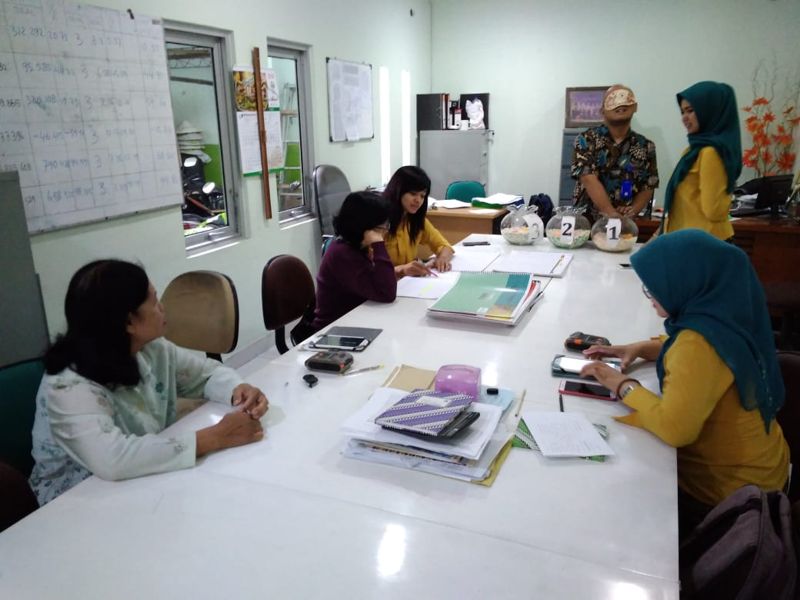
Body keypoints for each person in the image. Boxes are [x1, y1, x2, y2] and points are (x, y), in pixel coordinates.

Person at [579, 230, 789, 539]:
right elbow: (686, 348)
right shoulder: (726, 316)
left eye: (654, 288)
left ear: (687, 283)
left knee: (610, 502)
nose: (650, 297)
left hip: (731, 501)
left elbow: (676, 429)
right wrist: (639, 348)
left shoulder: (697, 343)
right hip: (767, 470)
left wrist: (622, 385)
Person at [29, 260, 268, 505]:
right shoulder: (67, 386)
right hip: (74, 501)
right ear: (128, 322)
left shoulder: (150, 348)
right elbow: (112, 458)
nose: (162, 307)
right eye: (153, 301)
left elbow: (206, 374)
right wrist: (215, 436)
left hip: (142, 478)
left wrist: (238, 390)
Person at [661, 81, 742, 241]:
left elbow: (714, 210)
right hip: (689, 240)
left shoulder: (710, 153)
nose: (684, 118)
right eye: (682, 112)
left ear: (710, 111)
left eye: (690, 111)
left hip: (705, 243)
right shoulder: (692, 152)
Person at [572, 84, 659, 222]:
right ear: (602, 111)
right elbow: (588, 178)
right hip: (588, 224)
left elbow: (649, 185)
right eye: (613, 99)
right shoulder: (585, 140)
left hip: (629, 225)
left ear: (635, 107)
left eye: (626, 98)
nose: (620, 103)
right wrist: (612, 214)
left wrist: (632, 211)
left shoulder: (646, 146)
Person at [311, 191, 397, 330]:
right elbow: (387, 293)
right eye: (381, 227)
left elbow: (379, 283)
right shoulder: (342, 254)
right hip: (334, 330)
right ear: (364, 226)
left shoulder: (356, 246)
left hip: (357, 320)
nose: (385, 231)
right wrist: (379, 245)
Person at [383, 166, 454, 276]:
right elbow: (367, 271)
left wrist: (442, 259)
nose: (418, 200)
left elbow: (445, 246)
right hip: (384, 283)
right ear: (398, 191)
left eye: (422, 196)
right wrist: (401, 269)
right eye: (413, 194)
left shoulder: (416, 220)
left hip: (408, 282)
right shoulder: (379, 223)